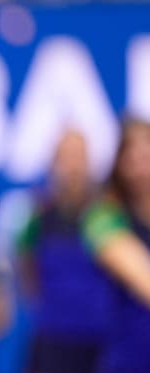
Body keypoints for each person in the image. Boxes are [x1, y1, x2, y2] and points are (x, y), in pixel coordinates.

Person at [15, 130, 115, 373]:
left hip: (99, 342)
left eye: (79, 157)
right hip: (52, 341)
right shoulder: (37, 215)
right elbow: (27, 269)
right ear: (53, 164)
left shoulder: (107, 213)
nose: (73, 167)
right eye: (66, 158)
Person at [82, 118, 150, 373]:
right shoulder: (102, 216)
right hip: (129, 359)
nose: (141, 167)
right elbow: (144, 280)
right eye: (132, 158)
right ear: (120, 165)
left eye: (147, 154)